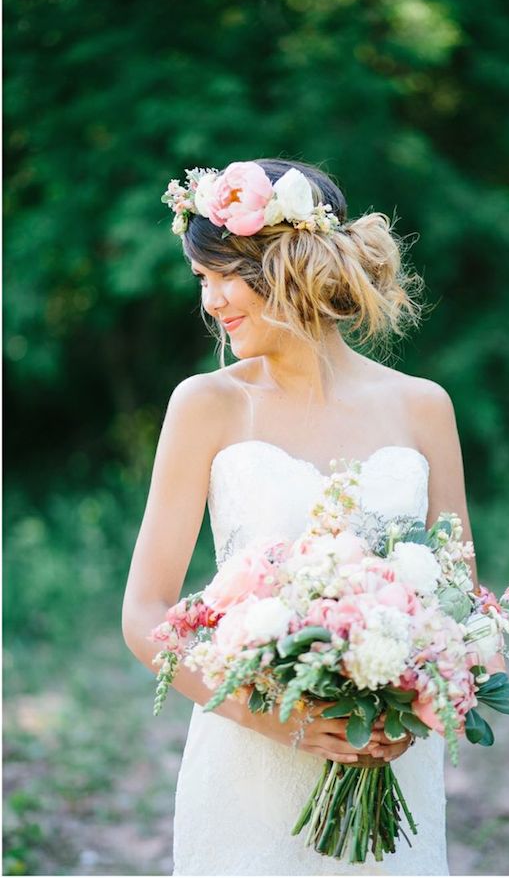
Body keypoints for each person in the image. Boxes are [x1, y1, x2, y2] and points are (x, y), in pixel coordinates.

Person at [122, 158, 480, 876]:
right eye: (203, 278)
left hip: (391, 761)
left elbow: (464, 607)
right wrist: (280, 720)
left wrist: (415, 703)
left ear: (294, 265)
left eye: (230, 273)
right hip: (248, 771)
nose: (213, 300)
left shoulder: (423, 406)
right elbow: (145, 612)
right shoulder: (207, 404)